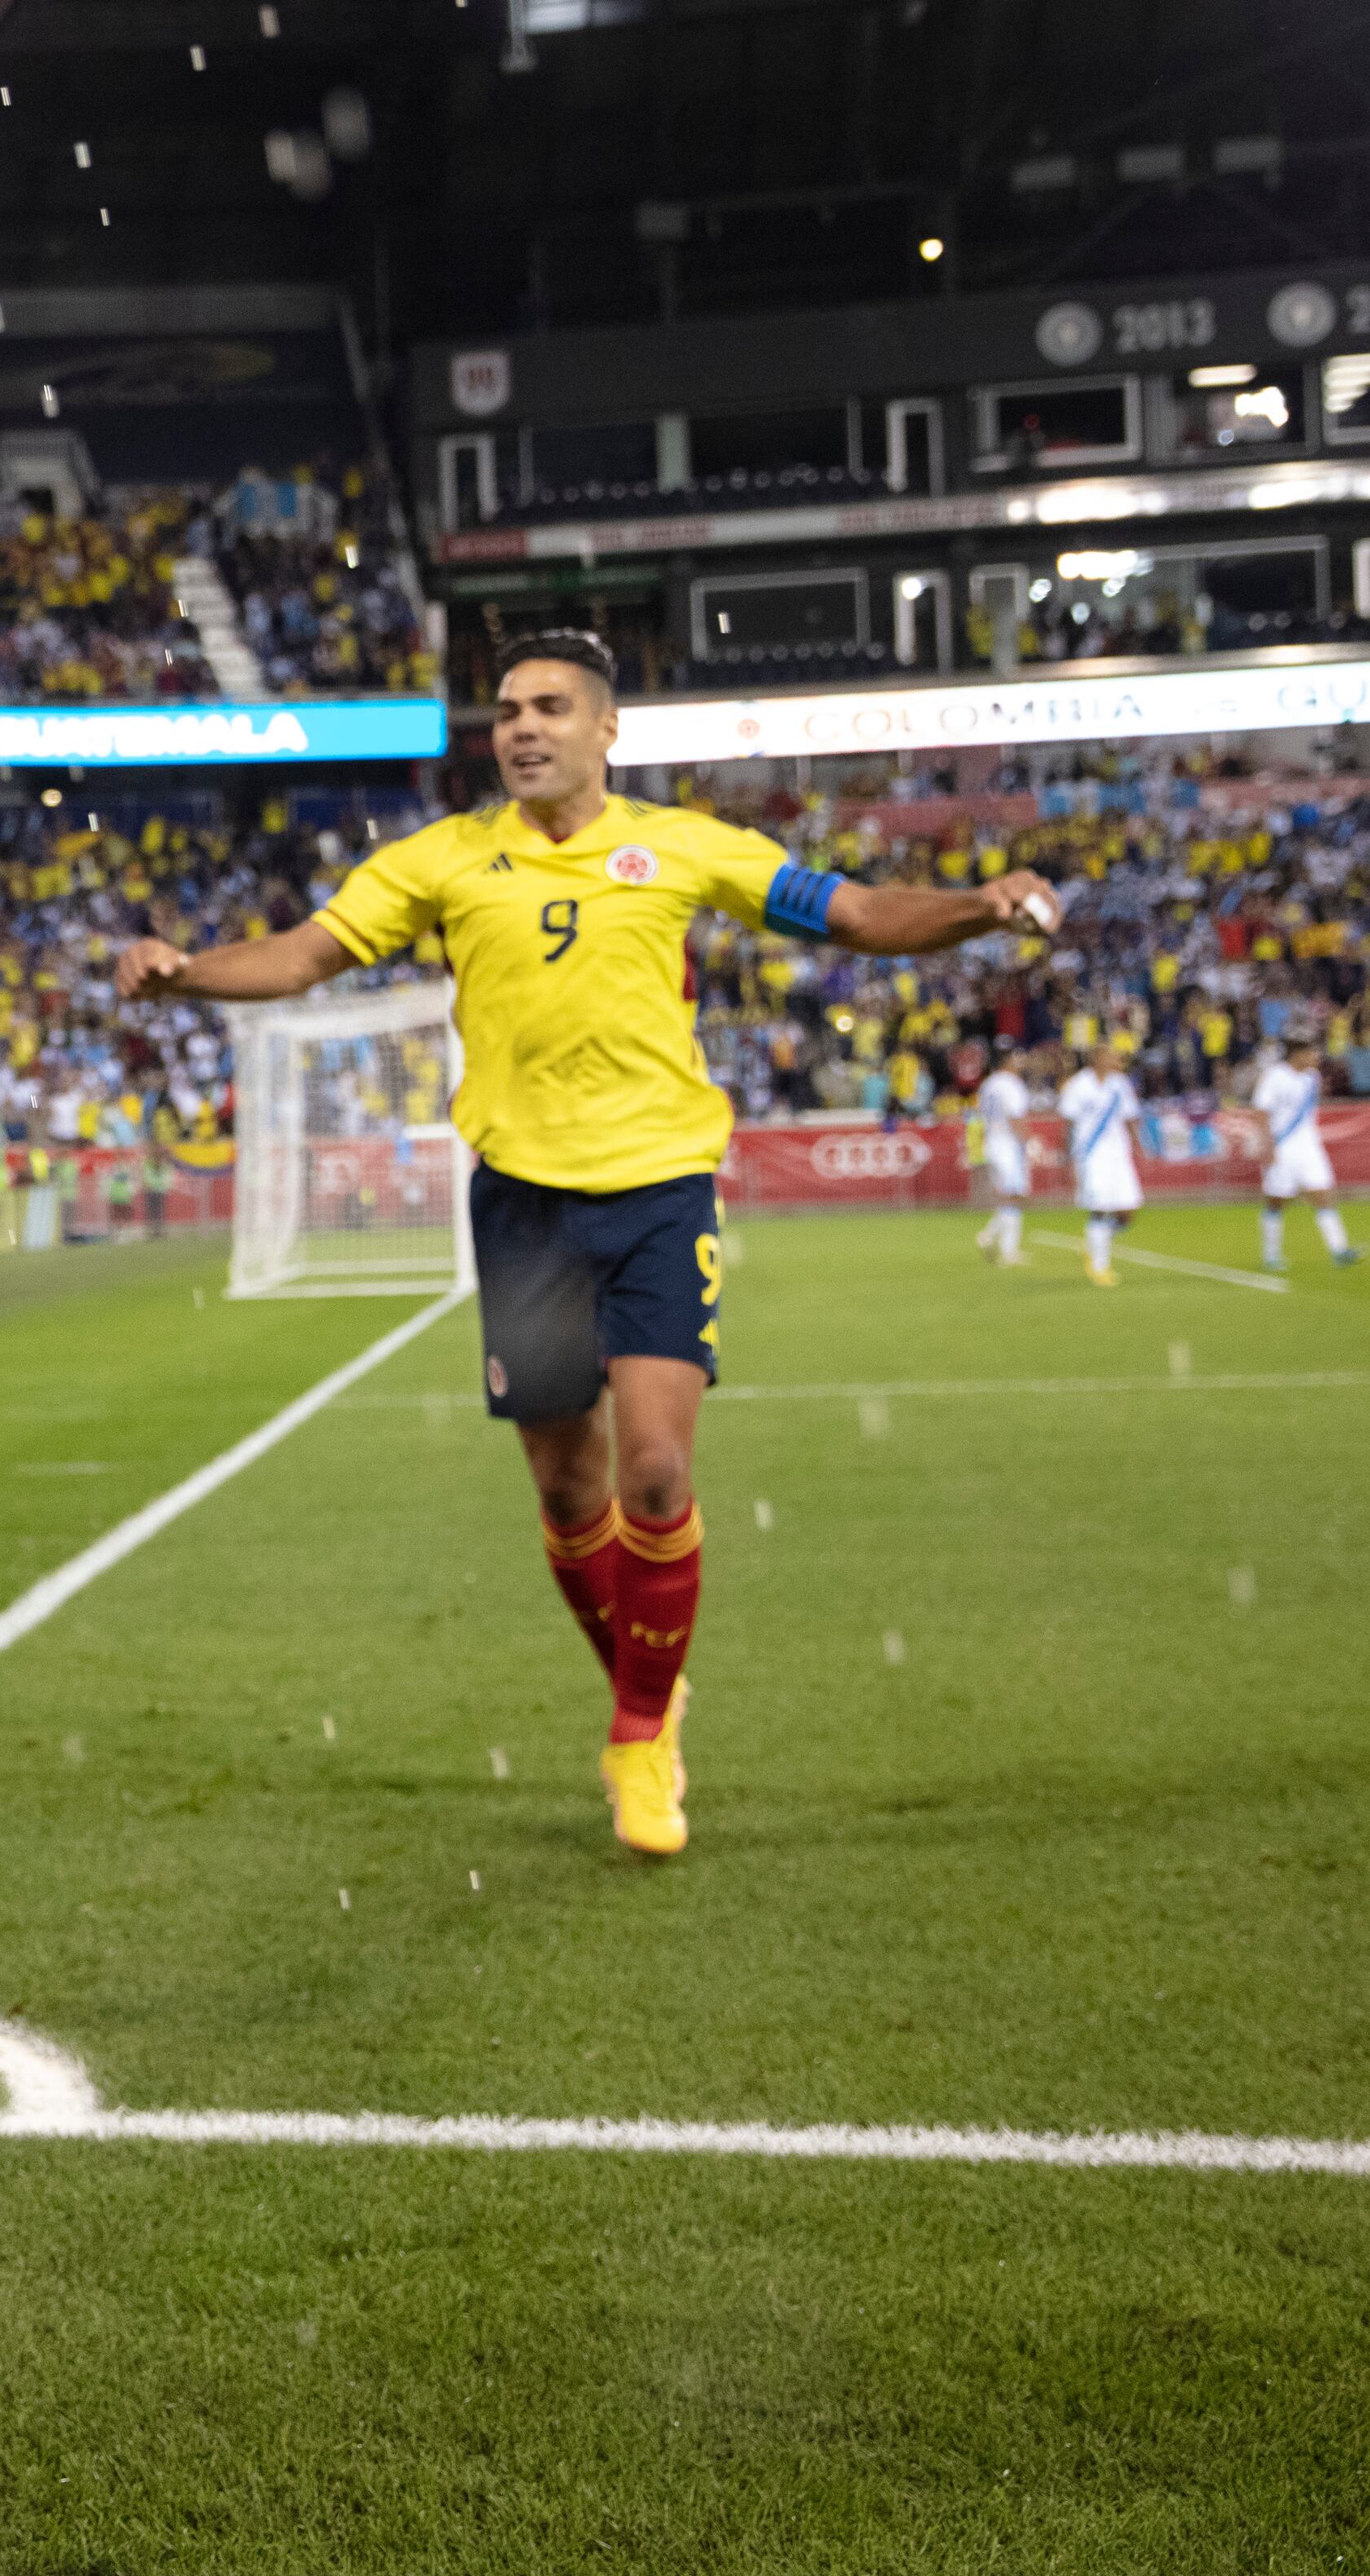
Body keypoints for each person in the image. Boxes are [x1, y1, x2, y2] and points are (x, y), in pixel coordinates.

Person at [123, 627, 1062, 1855]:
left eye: (550, 707)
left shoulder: (681, 845)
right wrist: (184, 972)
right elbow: (303, 958)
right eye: (508, 708)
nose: (521, 726)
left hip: (661, 1191)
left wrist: (976, 910)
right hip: (521, 1204)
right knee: (569, 1494)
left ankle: (638, 1735)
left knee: (655, 1475)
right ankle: (648, 1685)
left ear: (605, 730)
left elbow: (853, 911)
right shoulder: (444, 862)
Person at [1248, 1035, 1352, 1273]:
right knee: (1277, 1200)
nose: (1316, 1057)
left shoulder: (1312, 1078)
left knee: (1323, 1193)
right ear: (1298, 1054)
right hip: (1282, 1148)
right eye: (1312, 1053)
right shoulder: (1275, 1076)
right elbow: (1261, 1111)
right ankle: (1271, 1254)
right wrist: (1268, 1146)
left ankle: (1339, 1250)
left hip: (1309, 1147)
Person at [1059, 1035, 1143, 1286]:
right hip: (1091, 1154)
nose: (1116, 1059)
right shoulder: (1078, 1086)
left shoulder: (1120, 1085)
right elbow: (1068, 1123)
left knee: (1127, 1210)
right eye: (1110, 1055)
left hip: (1118, 1153)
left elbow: (1129, 1116)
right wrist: (1067, 1156)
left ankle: (1093, 1242)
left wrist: (1138, 1144)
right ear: (1096, 1059)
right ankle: (1100, 1267)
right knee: (1100, 1208)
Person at [974, 1051, 1037, 1267]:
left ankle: (994, 1239)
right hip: (1008, 1144)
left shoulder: (988, 1084)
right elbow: (1015, 1116)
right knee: (1015, 1195)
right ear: (1008, 1061)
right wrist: (1027, 1142)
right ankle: (1003, 1246)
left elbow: (980, 1114)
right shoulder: (1011, 1084)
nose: (1021, 1060)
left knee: (1011, 1195)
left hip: (992, 1142)